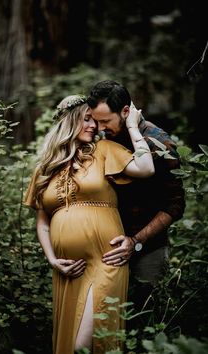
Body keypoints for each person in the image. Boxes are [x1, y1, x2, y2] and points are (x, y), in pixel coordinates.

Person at [23, 94, 155, 354]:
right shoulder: (45, 168)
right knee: (70, 344)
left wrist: (131, 126)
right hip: (68, 270)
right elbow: (43, 223)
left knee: (83, 345)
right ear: (69, 122)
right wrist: (52, 259)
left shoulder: (104, 150)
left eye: (95, 121)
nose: (93, 126)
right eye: (86, 120)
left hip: (106, 260)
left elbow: (146, 167)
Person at [87, 80, 185, 312]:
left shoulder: (159, 143)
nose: (99, 129)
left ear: (126, 111)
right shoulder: (104, 139)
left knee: (145, 314)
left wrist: (136, 241)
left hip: (147, 248)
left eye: (105, 121)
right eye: (96, 121)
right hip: (107, 247)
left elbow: (175, 205)